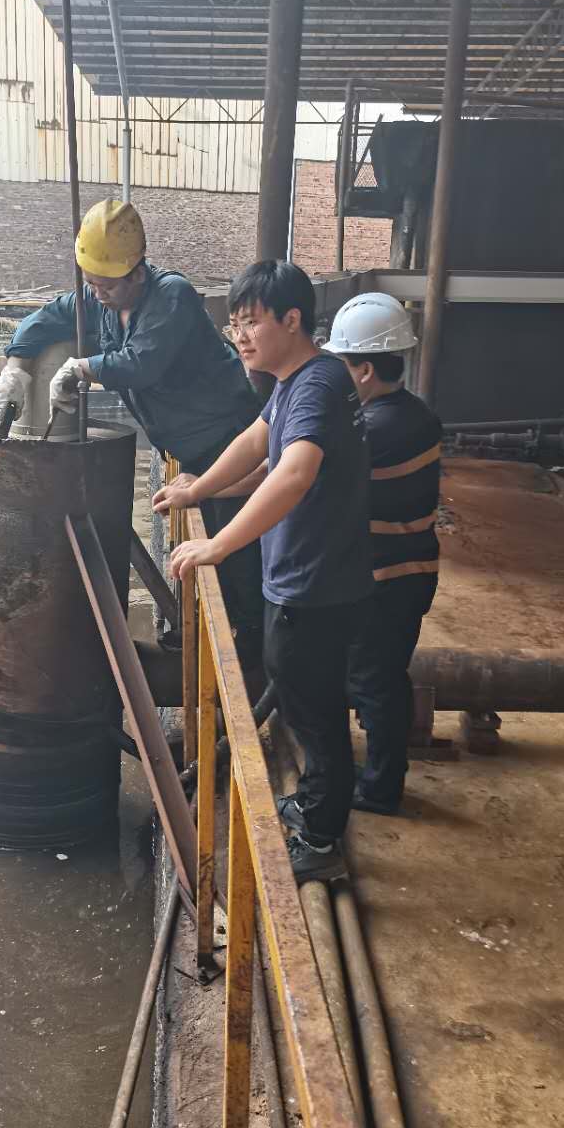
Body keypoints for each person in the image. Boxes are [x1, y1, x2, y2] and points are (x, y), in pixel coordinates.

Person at [154, 261, 370, 881]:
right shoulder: (301, 380)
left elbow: (294, 474)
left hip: (316, 585)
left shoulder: (317, 385)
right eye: (234, 324)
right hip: (308, 576)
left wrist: (218, 545)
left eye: (251, 322)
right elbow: (257, 443)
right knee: (302, 698)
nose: (240, 337)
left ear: (292, 319)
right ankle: (314, 803)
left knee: (315, 713)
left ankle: (322, 842)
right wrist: (198, 490)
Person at [0, 198, 264, 663]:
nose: (97, 294)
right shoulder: (99, 300)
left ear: (137, 272)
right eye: (91, 283)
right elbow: (47, 317)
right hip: (187, 449)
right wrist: (15, 367)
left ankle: (250, 658)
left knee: (237, 558)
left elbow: (142, 363)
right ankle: (219, 638)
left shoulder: (172, 296)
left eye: (107, 285)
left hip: (226, 441)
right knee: (206, 556)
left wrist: (82, 367)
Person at [327, 292, 441, 816]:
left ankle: (380, 789)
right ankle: (379, 775)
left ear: (366, 370)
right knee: (382, 675)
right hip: (409, 571)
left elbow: (306, 476)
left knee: (375, 681)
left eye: (342, 365)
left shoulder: (374, 429)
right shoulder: (415, 414)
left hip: (389, 576)